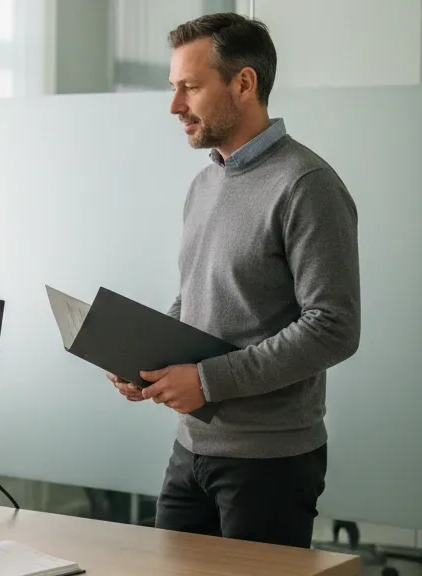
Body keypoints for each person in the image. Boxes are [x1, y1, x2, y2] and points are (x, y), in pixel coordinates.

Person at [108, 13, 360, 548]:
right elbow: (196, 296)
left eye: (190, 88)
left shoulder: (307, 185)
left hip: (268, 465)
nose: (175, 106)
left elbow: (333, 327)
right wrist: (144, 361)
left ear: (243, 84)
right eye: (174, 88)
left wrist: (205, 381)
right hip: (190, 451)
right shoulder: (204, 184)